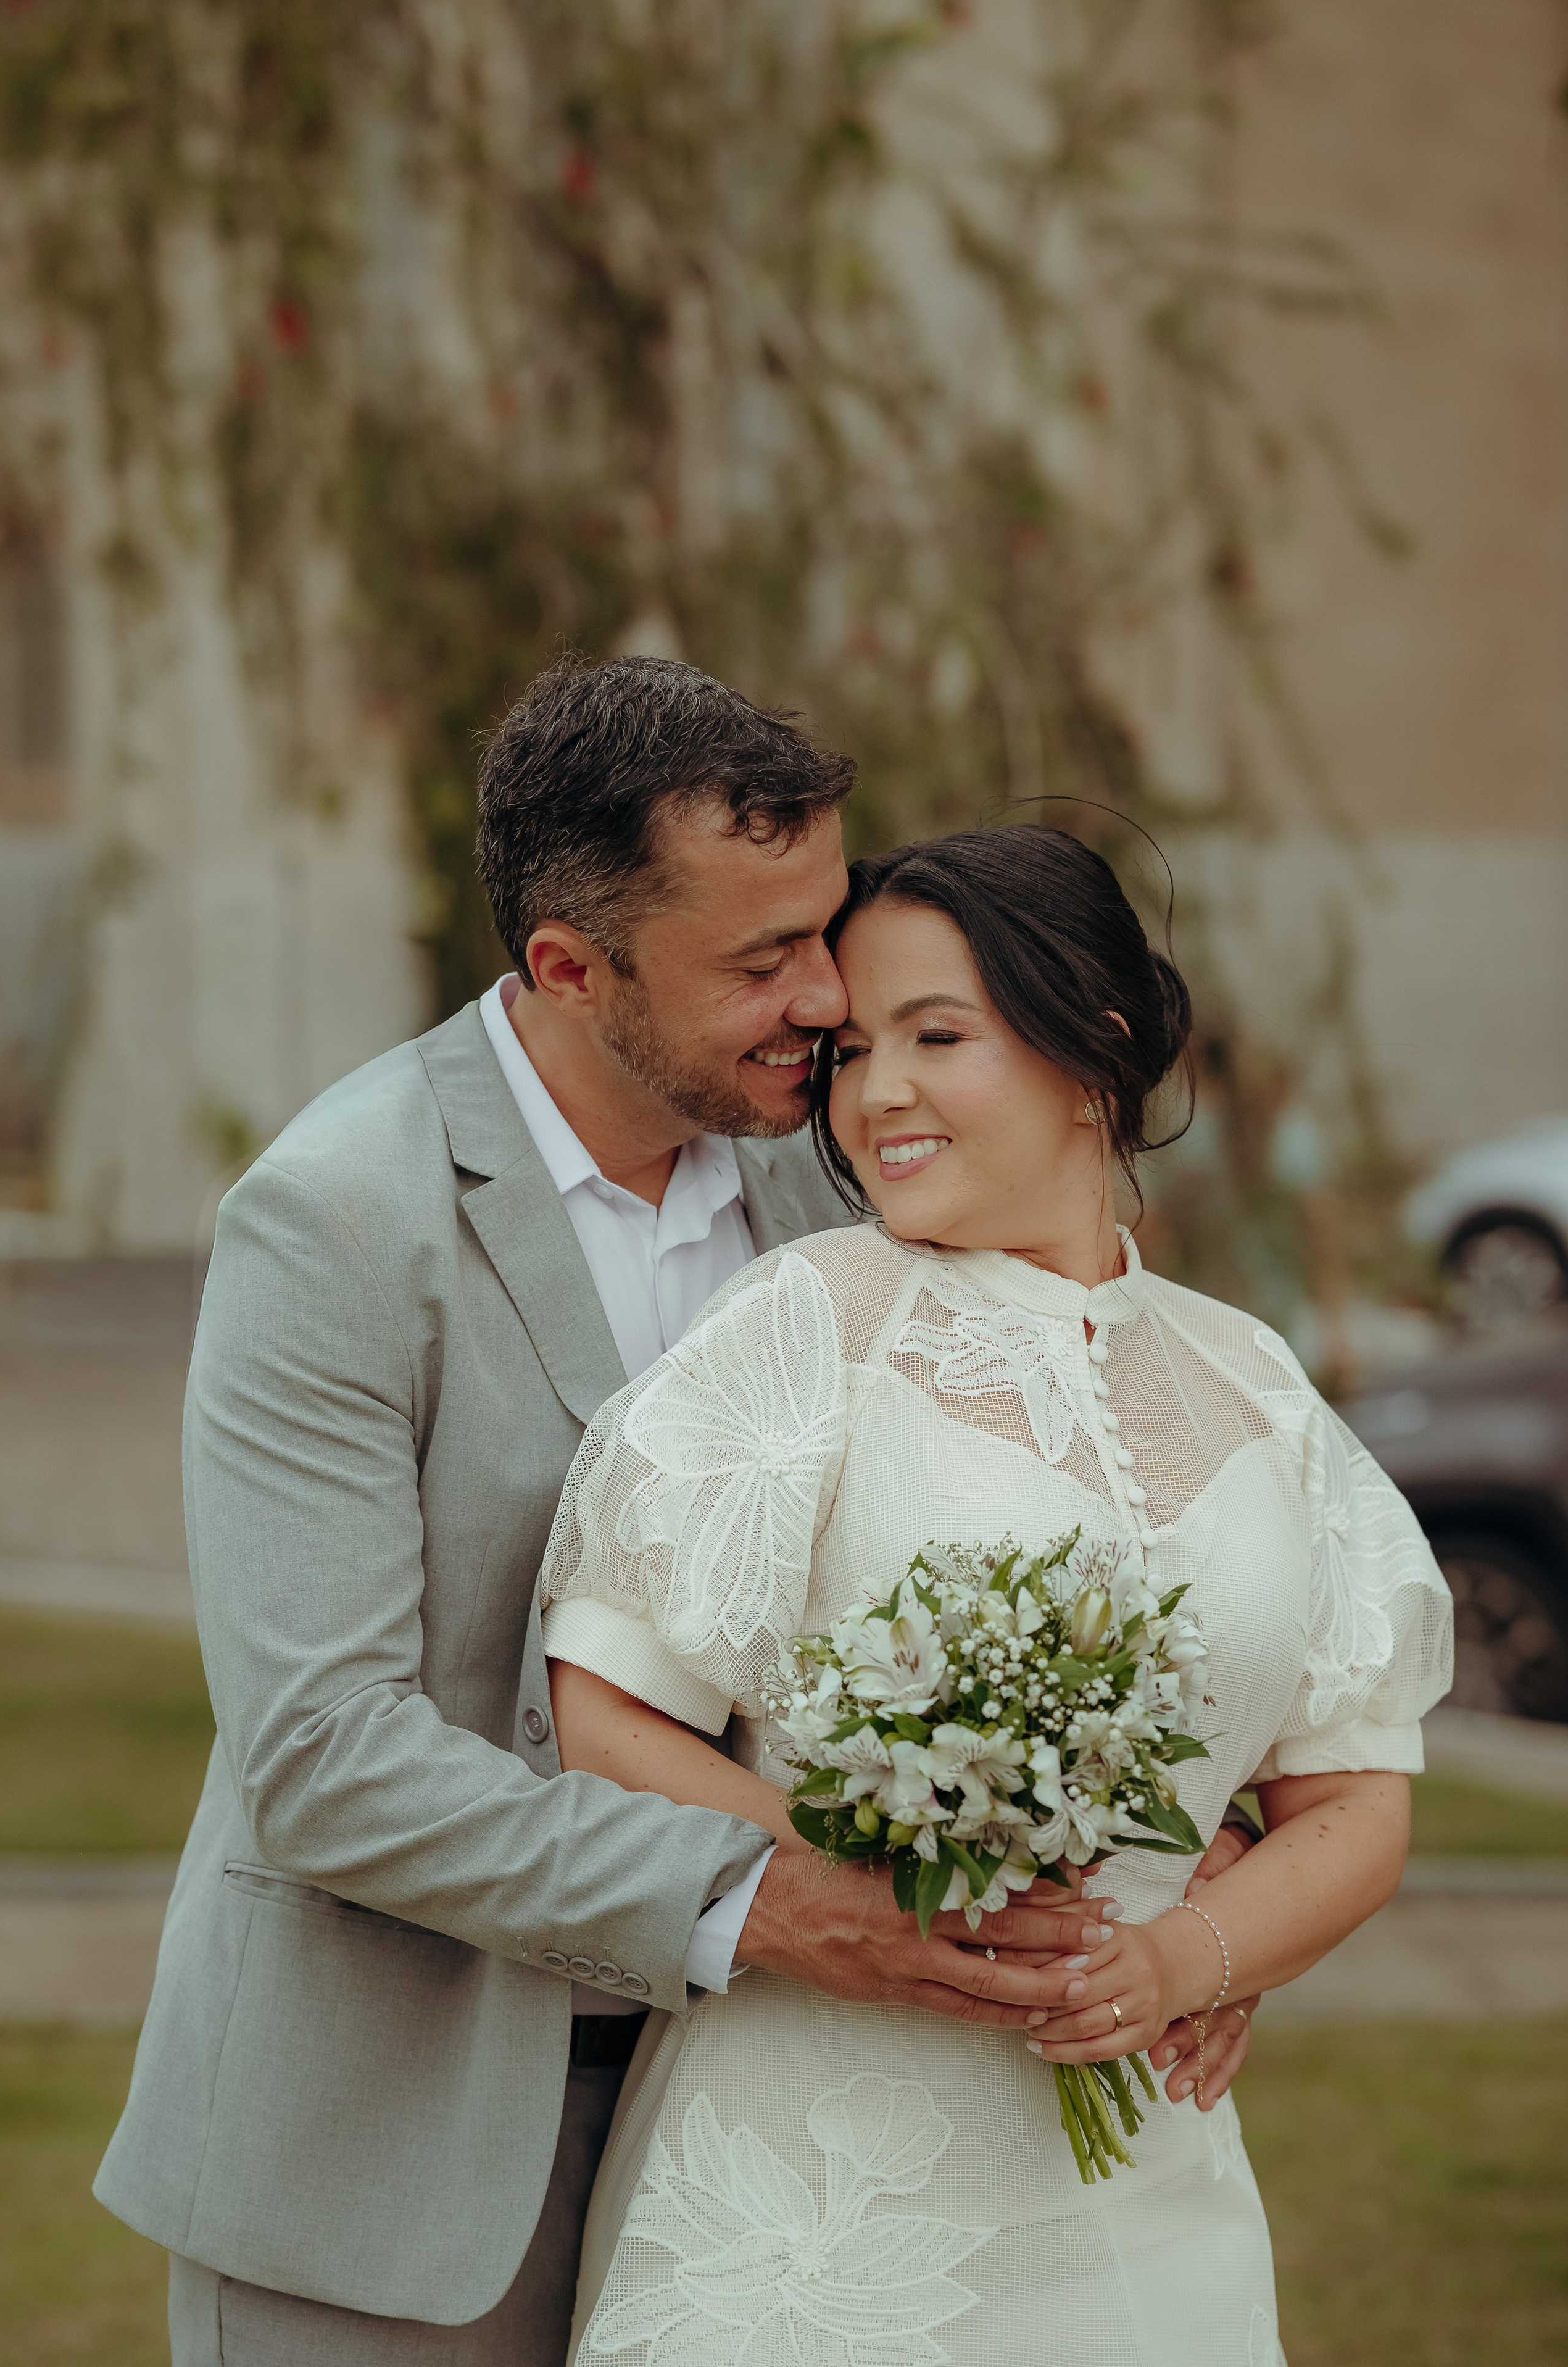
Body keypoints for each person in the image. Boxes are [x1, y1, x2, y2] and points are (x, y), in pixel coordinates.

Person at [94, 659, 1249, 2366]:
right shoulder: (332, 1221)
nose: (827, 990)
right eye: (760, 958)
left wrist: (1188, 1893)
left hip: (775, 2135)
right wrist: (763, 1894)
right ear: (570, 965)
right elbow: (329, 1756)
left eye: (827, 924)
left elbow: (1040, 1510)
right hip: (390, 2153)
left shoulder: (843, 1168)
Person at [542, 825, 1454, 2366]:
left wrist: (1187, 1956)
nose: (873, 1090)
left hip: (1145, 2191)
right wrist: (877, 1895)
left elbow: (1355, 1793)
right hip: (814, 2187)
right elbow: (603, 1714)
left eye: (934, 1036)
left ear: (1091, 1048)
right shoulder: (811, 1322)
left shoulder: (1257, 1386)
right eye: (849, 1050)